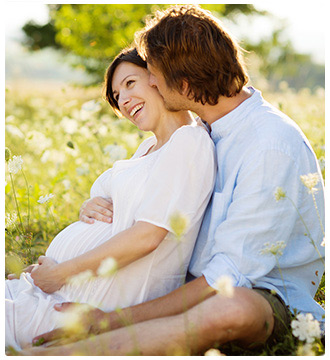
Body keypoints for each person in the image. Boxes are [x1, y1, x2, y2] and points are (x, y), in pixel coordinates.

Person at [21, 4, 325, 356]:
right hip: (187, 286)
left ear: (184, 79)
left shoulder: (269, 144)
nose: (149, 83)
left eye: (152, 73)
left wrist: (111, 319)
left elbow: (227, 277)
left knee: (233, 307)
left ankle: (59, 354)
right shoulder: (199, 133)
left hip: (261, 296)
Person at [5, 47, 216, 351]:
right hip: (53, 290)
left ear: (158, 77)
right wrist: (88, 207)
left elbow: (147, 236)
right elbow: (121, 209)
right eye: (117, 95)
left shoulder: (188, 141)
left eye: (130, 83)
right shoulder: (149, 147)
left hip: (81, 305)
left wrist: (59, 274)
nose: (124, 100)